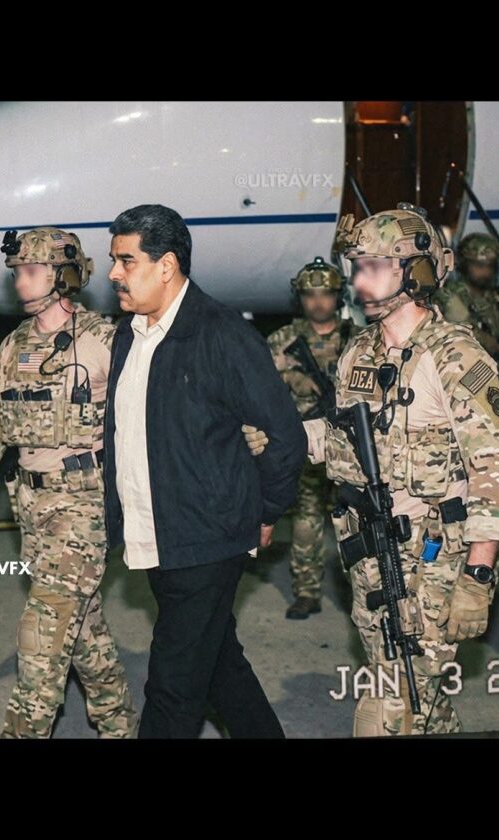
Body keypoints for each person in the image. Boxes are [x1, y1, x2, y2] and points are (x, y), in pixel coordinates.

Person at [247, 203, 499, 735]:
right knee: (422, 705)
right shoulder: (358, 352)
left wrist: (479, 575)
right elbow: (342, 435)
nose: (358, 281)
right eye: (357, 268)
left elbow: (496, 469)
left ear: (415, 272)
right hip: (369, 556)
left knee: (388, 711)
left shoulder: (456, 357)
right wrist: (283, 437)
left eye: (372, 267)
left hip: (434, 563)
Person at [103, 204, 307, 738]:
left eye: (126, 261)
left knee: (172, 687)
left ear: (166, 265)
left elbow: (286, 435)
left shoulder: (220, 333)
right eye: (114, 261)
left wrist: (265, 511)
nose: (114, 274)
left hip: (206, 540)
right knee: (217, 666)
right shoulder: (129, 334)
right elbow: (124, 434)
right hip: (154, 535)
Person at [0, 227, 138, 739]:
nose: (20, 282)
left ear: (64, 275)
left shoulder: (105, 341)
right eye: (17, 273)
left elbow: (151, 411)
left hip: (83, 507)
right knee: (83, 630)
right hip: (29, 506)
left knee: (42, 637)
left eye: (31, 271)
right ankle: (118, 724)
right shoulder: (12, 348)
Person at [266, 257, 360, 619]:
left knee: (356, 520)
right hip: (305, 445)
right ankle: (306, 591)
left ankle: (360, 590)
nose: (318, 302)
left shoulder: (359, 339)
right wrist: (289, 379)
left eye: (326, 294)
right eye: (309, 295)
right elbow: (257, 386)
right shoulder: (283, 340)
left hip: (353, 446)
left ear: (338, 296)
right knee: (306, 520)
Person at [434, 232, 499, 368]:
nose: (486, 272)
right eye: (479, 265)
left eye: (490, 266)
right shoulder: (448, 297)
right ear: (464, 264)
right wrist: (482, 338)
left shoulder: (497, 298)